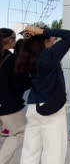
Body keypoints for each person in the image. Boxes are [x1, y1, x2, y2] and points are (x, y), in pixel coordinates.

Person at [17, 26, 70, 164]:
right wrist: (42, 31)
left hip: (33, 107)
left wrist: (42, 33)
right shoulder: (48, 55)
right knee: (54, 151)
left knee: (30, 150)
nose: (54, 41)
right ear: (44, 40)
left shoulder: (27, 56)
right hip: (50, 108)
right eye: (53, 39)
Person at [0, 29, 31, 164]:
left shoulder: (9, 57)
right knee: (19, 133)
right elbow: (20, 84)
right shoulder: (12, 59)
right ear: (11, 41)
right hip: (8, 105)